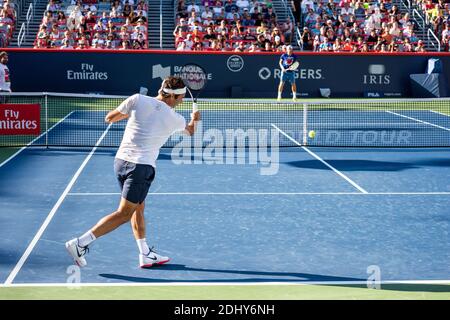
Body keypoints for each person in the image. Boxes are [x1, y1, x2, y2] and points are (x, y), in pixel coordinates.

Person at [65, 76, 201, 268]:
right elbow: (190, 132)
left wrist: (137, 115)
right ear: (173, 97)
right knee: (124, 213)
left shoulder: (137, 99)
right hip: (140, 168)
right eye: (181, 98)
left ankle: (145, 253)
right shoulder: (176, 119)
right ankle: (80, 243)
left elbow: (110, 118)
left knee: (138, 207)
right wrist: (195, 120)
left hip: (121, 162)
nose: (181, 102)